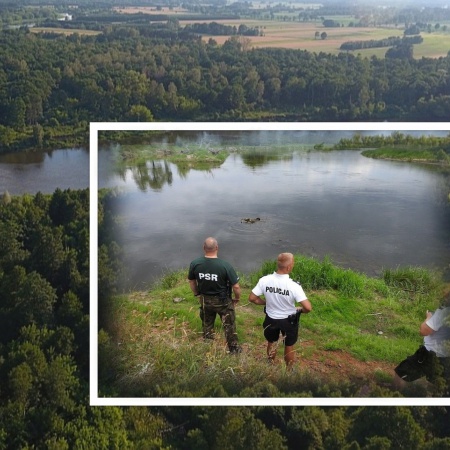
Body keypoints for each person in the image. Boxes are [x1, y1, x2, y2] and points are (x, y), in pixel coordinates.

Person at [249, 252, 312, 368]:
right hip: (288, 320)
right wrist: (299, 310)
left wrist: (266, 302)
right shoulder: (294, 286)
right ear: (289, 267)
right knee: (288, 345)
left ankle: (270, 364)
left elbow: (252, 298)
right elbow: (308, 307)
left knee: (271, 341)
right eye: (293, 263)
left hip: (270, 318)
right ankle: (289, 370)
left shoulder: (265, 280)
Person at [188, 237, 242, 354]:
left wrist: (197, 294)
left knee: (207, 323)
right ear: (217, 248)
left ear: (204, 248)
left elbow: (192, 281)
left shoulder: (195, 264)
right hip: (223, 301)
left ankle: (208, 346)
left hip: (205, 299)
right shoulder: (225, 265)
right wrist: (237, 298)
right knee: (229, 325)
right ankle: (233, 349)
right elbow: (236, 286)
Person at [394, 300, 449, 390]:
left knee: (401, 373)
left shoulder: (445, 312)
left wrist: (428, 318)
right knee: (441, 384)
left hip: (430, 355)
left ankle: (396, 397)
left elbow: (424, 331)